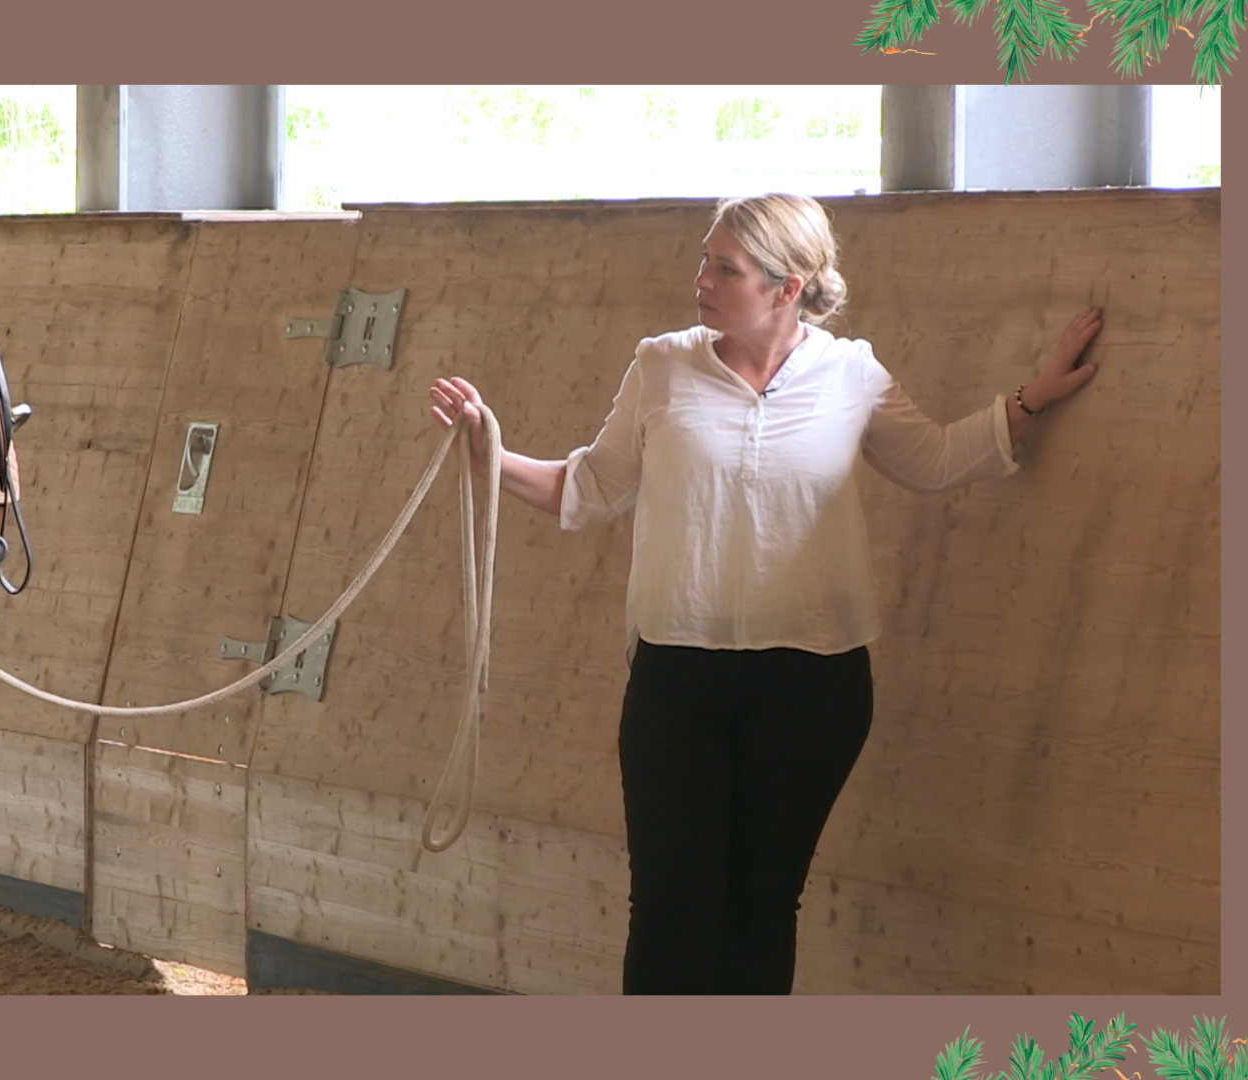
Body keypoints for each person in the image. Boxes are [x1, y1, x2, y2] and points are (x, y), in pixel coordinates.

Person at [428, 193, 1102, 995]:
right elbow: (591, 487)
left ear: (788, 289)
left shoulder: (851, 374)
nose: (700, 279)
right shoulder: (662, 365)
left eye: (724, 267)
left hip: (814, 684)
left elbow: (934, 460)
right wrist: (487, 452)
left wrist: (1032, 397)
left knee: (761, 907)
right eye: (705, 257)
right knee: (669, 907)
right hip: (676, 681)